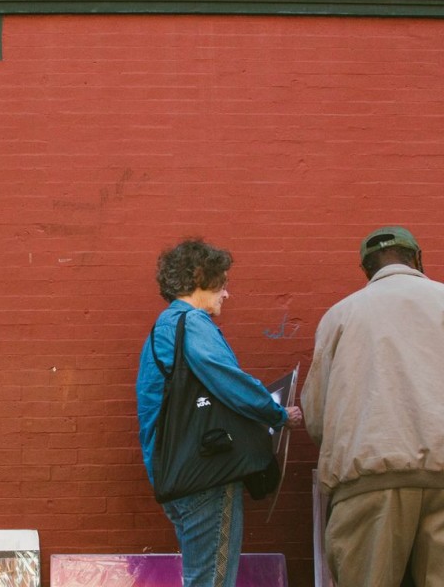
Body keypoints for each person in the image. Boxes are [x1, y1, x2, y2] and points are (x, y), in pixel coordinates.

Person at [136, 238, 302, 587]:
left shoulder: (163, 328)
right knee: (211, 581)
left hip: (175, 476)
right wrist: (278, 414)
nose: (227, 294)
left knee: (201, 578)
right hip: (206, 474)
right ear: (199, 276)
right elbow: (230, 381)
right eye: (222, 283)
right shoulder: (191, 324)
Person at [302, 226, 444, 587]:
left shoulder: (341, 315)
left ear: (366, 270)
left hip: (369, 480)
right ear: (418, 259)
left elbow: (317, 414)